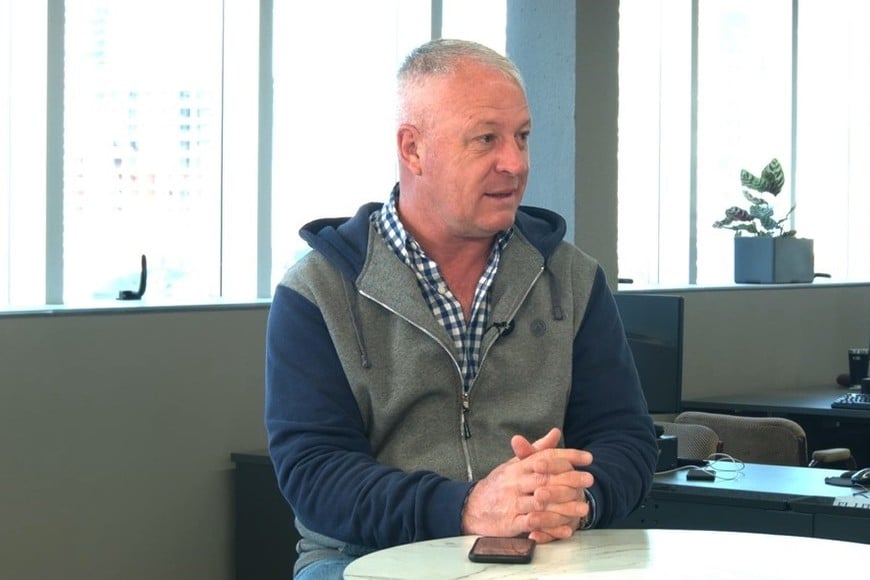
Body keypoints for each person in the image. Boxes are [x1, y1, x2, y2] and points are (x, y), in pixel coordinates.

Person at [265, 38, 658, 579]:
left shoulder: (572, 278)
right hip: (359, 558)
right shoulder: (317, 291)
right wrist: (467, 507)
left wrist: (576, 499)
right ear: (413, 150)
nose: (514, 163)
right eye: (486, 139)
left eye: (522, 137)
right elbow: (315, 473)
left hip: (545, 556)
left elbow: (626, 437)